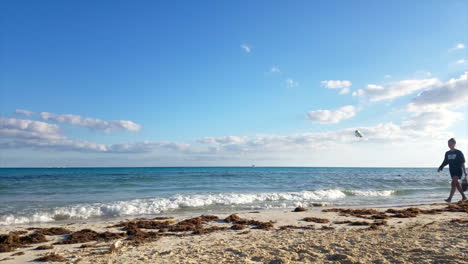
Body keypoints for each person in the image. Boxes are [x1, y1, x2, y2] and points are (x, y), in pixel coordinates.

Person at [437, 138, 467, 202]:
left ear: (454, 144)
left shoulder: (459, 152)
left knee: (453, 183)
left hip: (458, 170)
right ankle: (464, 197)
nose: (449, 145)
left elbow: (462, 162)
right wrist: (441, 167)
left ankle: (449, 198)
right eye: (448, 143)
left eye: (450, 143)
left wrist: (465, 171)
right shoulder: (447, 153)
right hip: (452, 171)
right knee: (456, 184)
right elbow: (445, 161)